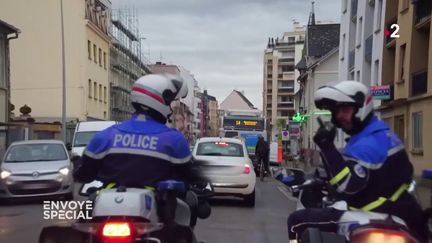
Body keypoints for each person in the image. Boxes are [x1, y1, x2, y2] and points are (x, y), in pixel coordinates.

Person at [287, 80, 427, 242]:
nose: (340, 116)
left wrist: (328, 148)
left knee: (296, 220)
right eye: (337, 111)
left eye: (345, 110)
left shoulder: (367, 143)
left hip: (369, 213)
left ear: (361, 108)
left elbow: (349, 186)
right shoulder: (384, 134)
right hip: (407, 214)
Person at [73, 74, 208, 226]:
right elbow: (189, 174)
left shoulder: (105, 136)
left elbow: (83, 175)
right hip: (158, 208)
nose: (171, 110)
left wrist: (78, 165)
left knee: (83, 223)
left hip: (109, 205)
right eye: (170, 103)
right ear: (160, 101)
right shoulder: (173, 140)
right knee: (181, 228)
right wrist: (202, 181)